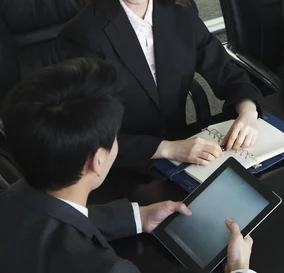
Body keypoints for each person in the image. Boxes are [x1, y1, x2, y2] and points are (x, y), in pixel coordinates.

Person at [0, 58, 255, 273]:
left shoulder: (11, 198)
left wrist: (140, 217)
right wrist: (238, 268)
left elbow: (55, 222)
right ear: (98, 161)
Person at [59, 0, 262, 169]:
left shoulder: (181, 12)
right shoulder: (84, 35)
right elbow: (89, 134)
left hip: (184, 155)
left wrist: (248, 110)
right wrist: (169, 149)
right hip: (117, 168)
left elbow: (227, 72)